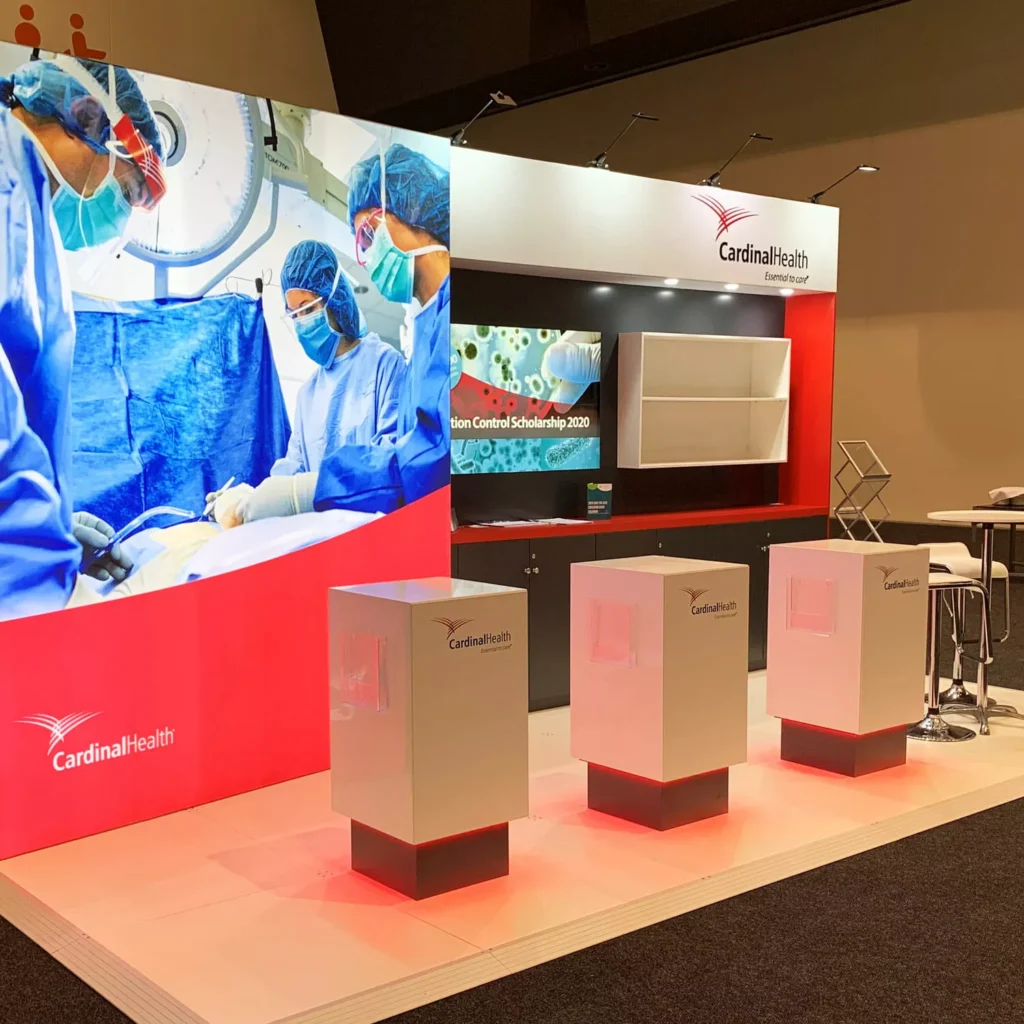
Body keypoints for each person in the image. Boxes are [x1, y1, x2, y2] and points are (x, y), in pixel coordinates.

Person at [0, 55, 166, 619]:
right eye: (124, 188)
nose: (115, 212)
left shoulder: (29, 208)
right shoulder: (5, 187)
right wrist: (30, 559)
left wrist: (53, 522)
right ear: (87, 117)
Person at [214, 240, 406, 526]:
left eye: (307, 308)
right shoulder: (308, 394)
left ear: (335, 299)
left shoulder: (385, 364)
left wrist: (308, 491)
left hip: (373, 531)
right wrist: (253, 497)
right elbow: (291, 471)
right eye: (294, 314)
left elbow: (390, 464)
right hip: (318, 536)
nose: (301, 322)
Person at [312, 142, 451, 514]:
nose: (369, 255)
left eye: (371, 233)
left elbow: (433, 461)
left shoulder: (456, 315)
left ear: (414, 210)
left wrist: (316, 486)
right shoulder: (424, 333)